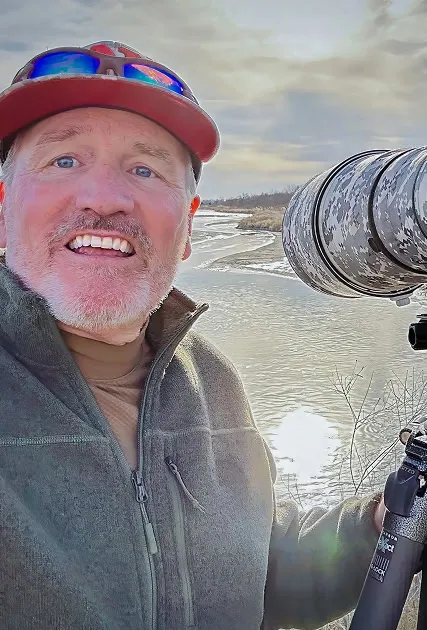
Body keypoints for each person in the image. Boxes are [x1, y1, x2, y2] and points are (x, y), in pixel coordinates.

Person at [0, 40, 385, 630]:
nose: (105, 198)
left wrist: (378, 526)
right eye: (65, 161)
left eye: (145, 169)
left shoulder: (213, 382)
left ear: (187, 227)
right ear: (4, 205)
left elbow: (255, 573)